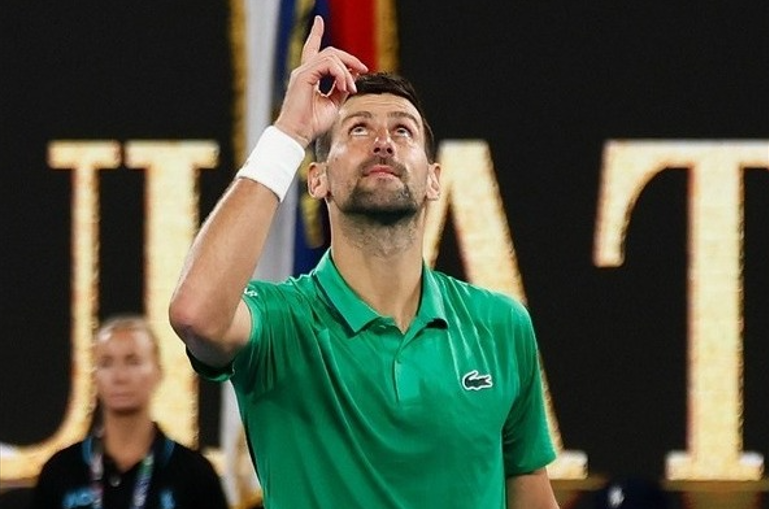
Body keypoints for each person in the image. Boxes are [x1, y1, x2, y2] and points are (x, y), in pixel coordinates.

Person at [169, 15, 559, 509]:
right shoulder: (280, 323)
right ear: (317, 180)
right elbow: (195, 313)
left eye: (403, 130)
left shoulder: (501, 325)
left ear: (433, 179)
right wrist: (289, 131)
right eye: (356, 130)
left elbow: (531, 497)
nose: (383, 141)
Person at [30, 314, 229, 509]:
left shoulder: (193, 474)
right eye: (106, 363)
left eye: (133, 361)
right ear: (94, 376)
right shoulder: (60, 472)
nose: (119, 377)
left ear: (158, 372)